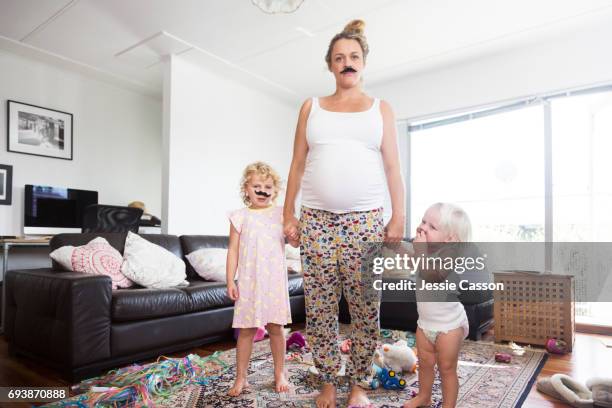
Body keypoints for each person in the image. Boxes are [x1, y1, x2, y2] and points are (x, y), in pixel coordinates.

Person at [282, 19, 406, 408]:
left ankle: (358, 387)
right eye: (339, 58)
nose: (347, 63)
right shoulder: (311, 107)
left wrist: (398, 215)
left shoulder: (380, 109)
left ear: (363, 62)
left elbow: (392, 168)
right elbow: (297, 165)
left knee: (366, 307)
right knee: (319, 308)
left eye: (353, 56)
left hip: (366, 221)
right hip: (315, 220)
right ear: (330, 65)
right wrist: (289, 215)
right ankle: (328, 384)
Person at [226, 161, 292, 396]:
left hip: (273, 281)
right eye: (257, 186)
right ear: (246, 188)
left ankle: (279, 372)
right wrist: (229, 280)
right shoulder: (239, 217)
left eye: (268, 186)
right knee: (246, 330)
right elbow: (233, 250)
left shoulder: (281, 214)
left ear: (275, 190)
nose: (262, 190)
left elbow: (294, 240)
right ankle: (241, 377)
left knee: (276, 327)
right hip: (248, 281)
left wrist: (295, 231)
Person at [404, 203, 471, 408]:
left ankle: (448, 405)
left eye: (432, 227)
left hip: (449, 326)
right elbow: (411, 262)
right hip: (425, 323)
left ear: (450, 240)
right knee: (424, 364)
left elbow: (434, 276)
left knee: (446, 368)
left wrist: (420, 253)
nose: (423, 227)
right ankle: (424, 396)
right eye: (423, 222)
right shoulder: (423, 252)